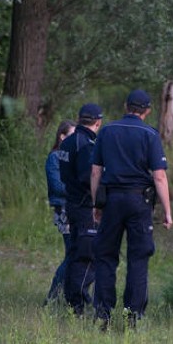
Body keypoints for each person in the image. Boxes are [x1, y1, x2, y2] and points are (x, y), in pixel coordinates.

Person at [91, 89, 173, 329]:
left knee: (105, 256)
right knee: (138, 258)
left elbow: (96, 171)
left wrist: (97, 203)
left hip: (112, 201)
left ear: (126, 106)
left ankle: (102, 315)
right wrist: (167, 211)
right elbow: (159, 177)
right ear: (147, 111)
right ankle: (132, 317)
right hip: (139, 203)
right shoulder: (150, 134)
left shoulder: (106, 131)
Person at [59, 103, 102, 314]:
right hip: (85, 206)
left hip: (71, 203)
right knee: (86, 257)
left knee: (75, 253)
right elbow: (87, 176)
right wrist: (100, 197)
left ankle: (70, 303)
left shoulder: (67, 142)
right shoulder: (86, 144)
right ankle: (78, 305)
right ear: (98, 122)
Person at [44, 119, 76, 304]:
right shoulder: (54, 157)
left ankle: (70, 296)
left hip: (75, 207)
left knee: (75, 253)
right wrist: (79, 188)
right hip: (64, 210)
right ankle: (53, 296)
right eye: (71, 135)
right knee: (73, 253)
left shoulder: (73, 157)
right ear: (62, 136)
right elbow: (57, 186)